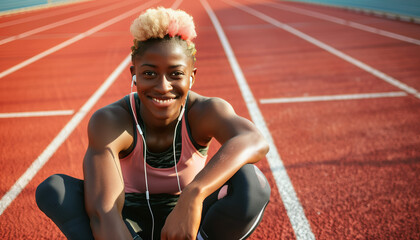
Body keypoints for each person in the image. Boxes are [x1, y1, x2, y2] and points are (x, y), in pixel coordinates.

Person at [35, 7, 270, 240]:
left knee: (253, 183)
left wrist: (193, 195)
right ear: (134, 74)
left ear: (192, 76)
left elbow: (253, 139)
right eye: (149, 74)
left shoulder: (203, 111)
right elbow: (103, 213)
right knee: (55, 190)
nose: (163, 86)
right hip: (129, 225)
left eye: (175, 74)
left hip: (188, 224)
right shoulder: (113, 120)